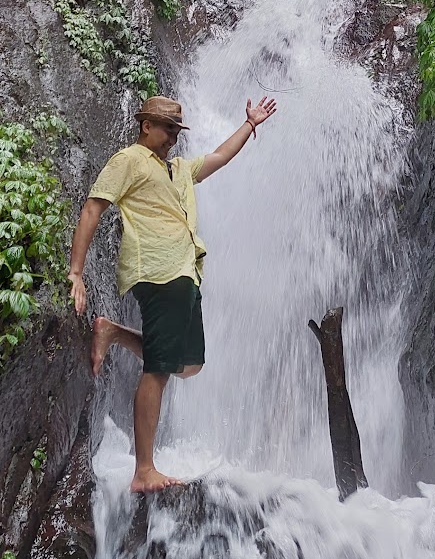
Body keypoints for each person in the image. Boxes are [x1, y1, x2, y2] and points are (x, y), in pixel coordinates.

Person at [67, 92, 277, 493]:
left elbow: (217, 157)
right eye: (168, 129)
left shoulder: (178, 169)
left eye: (177, 131)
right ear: (146, 126)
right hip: (157, 271)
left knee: (189, 364)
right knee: (159, 369)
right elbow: (94, 207)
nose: (173, 138)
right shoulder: (128, 160)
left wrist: (250, 125)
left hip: (186, 272)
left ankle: (111, 332)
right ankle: (144, 470)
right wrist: (76, 272)